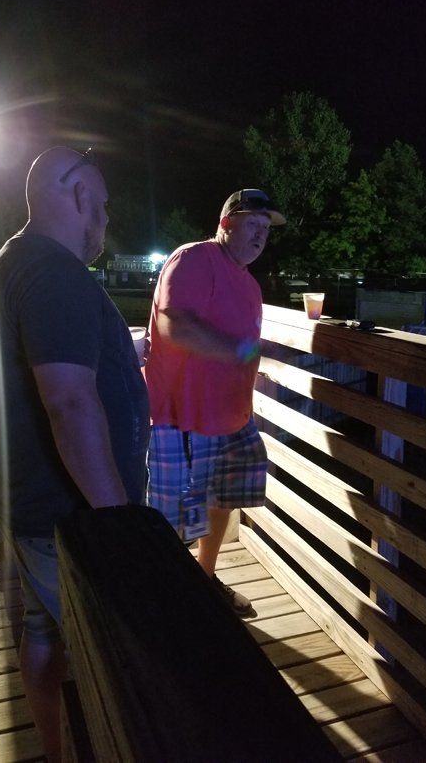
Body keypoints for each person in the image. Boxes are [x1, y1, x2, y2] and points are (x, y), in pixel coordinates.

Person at [0, 146, 150, 761]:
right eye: (100, 205)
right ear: (76, 196)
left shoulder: (11, 264)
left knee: (42, 629)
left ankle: (56, 749)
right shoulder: (55, 273)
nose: (104, 219)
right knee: (120, 649)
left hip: (30, 503)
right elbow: (70, 404)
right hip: (71, 519)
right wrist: (120, 525)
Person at [144, 188, 286, 616]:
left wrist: (252, 368)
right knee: (173, 521)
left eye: (266, 229)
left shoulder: (250, 285)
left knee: (224, 498)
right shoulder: (194, 259)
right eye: (252, 224)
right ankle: (166, 605)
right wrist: (243, 353)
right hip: (182, 417)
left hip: (231, 417)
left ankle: (204, 580)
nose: (261, 235)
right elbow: (175, 327)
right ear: (226, 224)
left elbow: (241, 345)